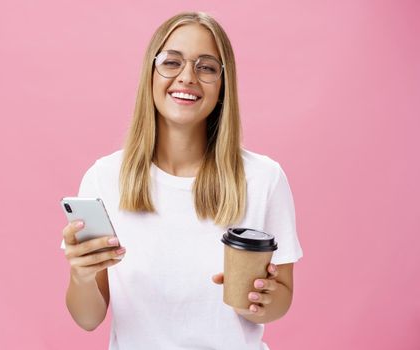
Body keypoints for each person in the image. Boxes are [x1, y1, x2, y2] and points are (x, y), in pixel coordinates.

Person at [62, 11, 303, 350]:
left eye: (205, 67)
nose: (187, 76)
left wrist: (262, 301)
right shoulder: (104, 180)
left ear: (222, 85)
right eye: (171, 62)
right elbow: (88, 319)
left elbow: (279, 303)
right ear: (151, 74)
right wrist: (81, 275)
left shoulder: (263, 179)